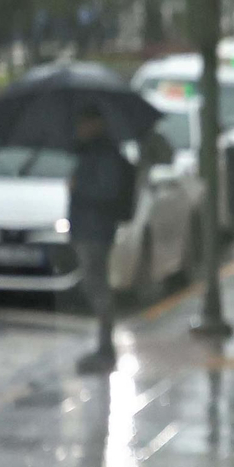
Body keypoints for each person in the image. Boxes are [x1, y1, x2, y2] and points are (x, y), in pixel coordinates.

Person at [68, 104, 135, 374]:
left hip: (96, 230)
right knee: (93, 285)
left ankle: (106, 348)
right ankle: (103, 347)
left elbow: (105, 191)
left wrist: (78, 186)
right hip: (87, 228)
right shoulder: (88, 152)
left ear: (95, 124)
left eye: (84, 123)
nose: (79, 128)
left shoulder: (105, 153)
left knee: (97, 286)